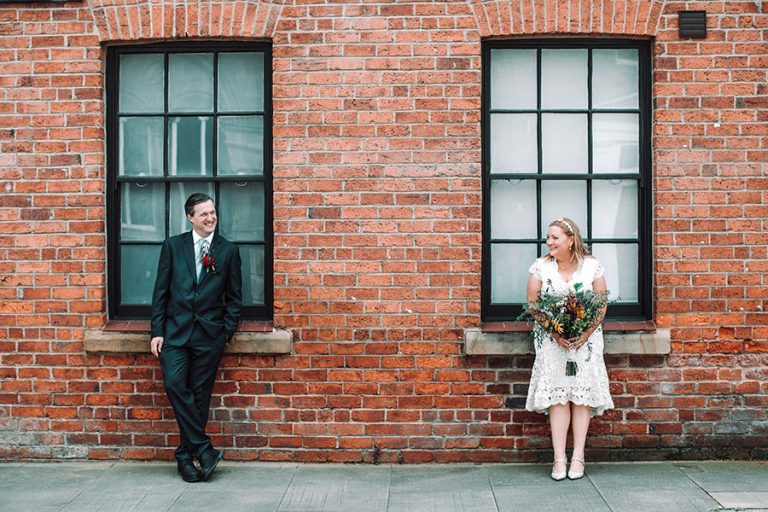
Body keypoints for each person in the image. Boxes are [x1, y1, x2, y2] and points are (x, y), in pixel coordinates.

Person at [150, 193, 242, 482]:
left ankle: (185, 458)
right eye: (203, 214)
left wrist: (224, 332)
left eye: (212, 212)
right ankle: (203, 449)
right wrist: (157, 331)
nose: (210, 218)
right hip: (175, 334)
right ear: (190, 217)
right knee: (174, 383)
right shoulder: (173, 246)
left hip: (209, 336)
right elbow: (160, 293)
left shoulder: (228, 250)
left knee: (199, 398)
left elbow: (235, 298)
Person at [525, 217, 614, 481]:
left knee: (582, 396)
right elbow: (533, 305)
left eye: (554, 237)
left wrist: (585, 333)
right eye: (548, 238)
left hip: (585, 343)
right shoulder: (541, 267)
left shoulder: (592, 267)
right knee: (558, 397)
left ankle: (578, 456)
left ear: (570, 239)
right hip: (553, 343)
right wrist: (554, 331)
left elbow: (600, 305)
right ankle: (559, 458)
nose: (549, 242)